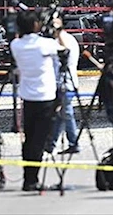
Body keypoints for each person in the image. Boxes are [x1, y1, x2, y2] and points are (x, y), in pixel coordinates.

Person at [9, 9, 62, 192]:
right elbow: (63, 49)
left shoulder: (16, 45)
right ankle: (32, 179)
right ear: (35, 25)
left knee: (30, 138)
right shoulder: (45, 44)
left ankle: (28, 177)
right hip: (46, 97)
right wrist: (57, 30)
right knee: (39, 140)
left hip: (28, 97)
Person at [46, 18, 81, 155]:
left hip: (66, 82)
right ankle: (51, 143)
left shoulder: (66, 40)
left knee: (66, 113)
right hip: (60, 81)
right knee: (59, 114)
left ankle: (73, 142)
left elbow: (65, 52)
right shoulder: (60, 40)